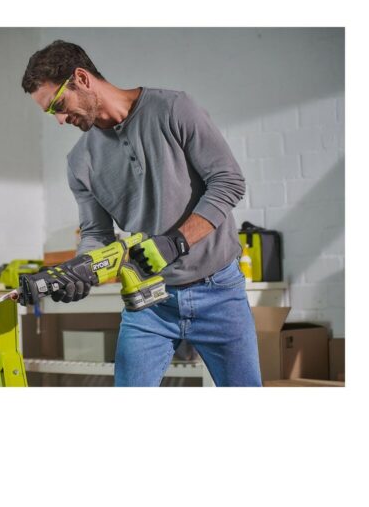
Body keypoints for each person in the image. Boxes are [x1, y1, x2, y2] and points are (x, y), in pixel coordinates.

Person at [21, 40, 262, 387]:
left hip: (219, 291)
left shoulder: (173, 108)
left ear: (82, 79)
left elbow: (228, 182)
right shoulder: (79, 162)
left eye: (58, 105)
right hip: (149, 303)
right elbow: (96, 234)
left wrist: (176, 242)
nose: (59, 120)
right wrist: (82, 270)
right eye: (50, 113)